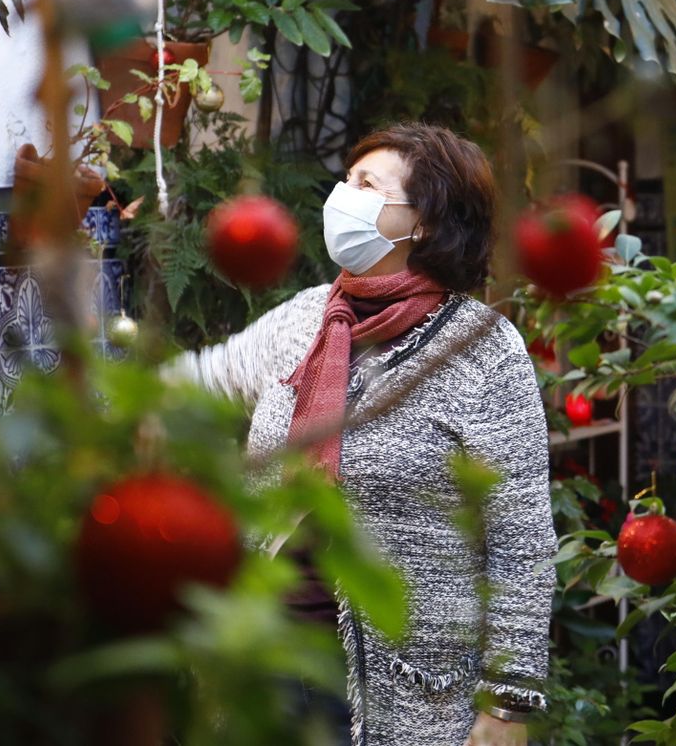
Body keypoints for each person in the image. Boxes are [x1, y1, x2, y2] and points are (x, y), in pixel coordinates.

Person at [163, 123, 556, 746]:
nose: (341, 196)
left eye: (365, 184)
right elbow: (205, 380)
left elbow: (520, 537)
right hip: (267, 662)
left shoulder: (483, 349)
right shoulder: (309, 316)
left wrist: (508, 703)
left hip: (409, 691)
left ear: (421, 222)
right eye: (346, 180)